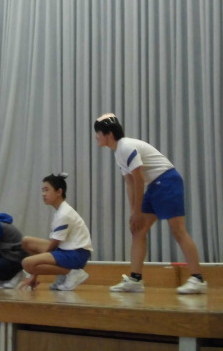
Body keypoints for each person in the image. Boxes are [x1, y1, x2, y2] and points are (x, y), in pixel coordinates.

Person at [94, 113, 207, 294]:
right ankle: (135, 279)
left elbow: (138, 179)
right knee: (137, 230)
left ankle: (197, 279)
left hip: (167, 181)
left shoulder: (126, 147)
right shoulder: (118, 153)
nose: (96, 137)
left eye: (98, 133)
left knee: (178, 230)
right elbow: (130, 183)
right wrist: (134, 212)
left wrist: (138, 211)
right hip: (155, 185)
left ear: (108, 135)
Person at [20, 173, 93, 291]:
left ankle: (72, 272)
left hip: (76, 254)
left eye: (47, 190)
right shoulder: (61, 211)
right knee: (26, 241)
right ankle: (64, 274)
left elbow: (52, 246)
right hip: (65, 250)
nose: (43, 194)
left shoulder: (64, 214)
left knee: (27, 264)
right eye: (42, 190)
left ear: (59, 192)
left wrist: (33, 273)